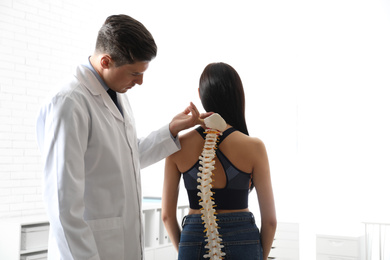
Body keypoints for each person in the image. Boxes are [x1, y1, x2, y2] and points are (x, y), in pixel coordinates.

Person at [36, 14, 210, 260]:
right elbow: (62, 205)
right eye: (134, 73)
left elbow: (128, 157)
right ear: (106, 61)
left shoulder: (117, 95)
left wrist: (171, 129)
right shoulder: (68, 103)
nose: (140, 81)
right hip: (89, 251)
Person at [162, 62, 277, 260]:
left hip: (193, 237)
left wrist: (187, 248)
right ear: (238, 95)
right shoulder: (254, 147)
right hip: (243, 238)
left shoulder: (177, 146)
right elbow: (270, 221)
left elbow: (166, 216)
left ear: (200, 93)